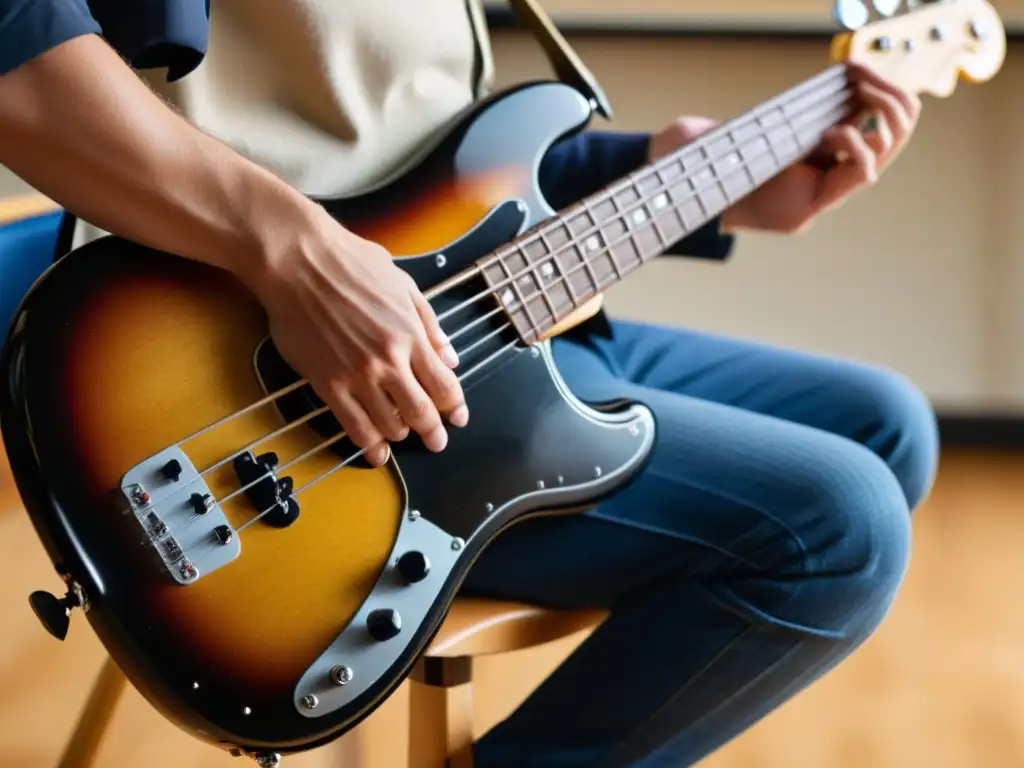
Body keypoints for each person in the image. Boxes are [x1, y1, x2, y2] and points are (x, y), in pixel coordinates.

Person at [0, 2, 938, 766]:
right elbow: (21, 60)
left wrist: (681, 176)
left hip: (484, 331)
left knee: (890, 427)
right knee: (839, 527)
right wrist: (293, 253)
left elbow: (432, 159)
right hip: (268, 388)